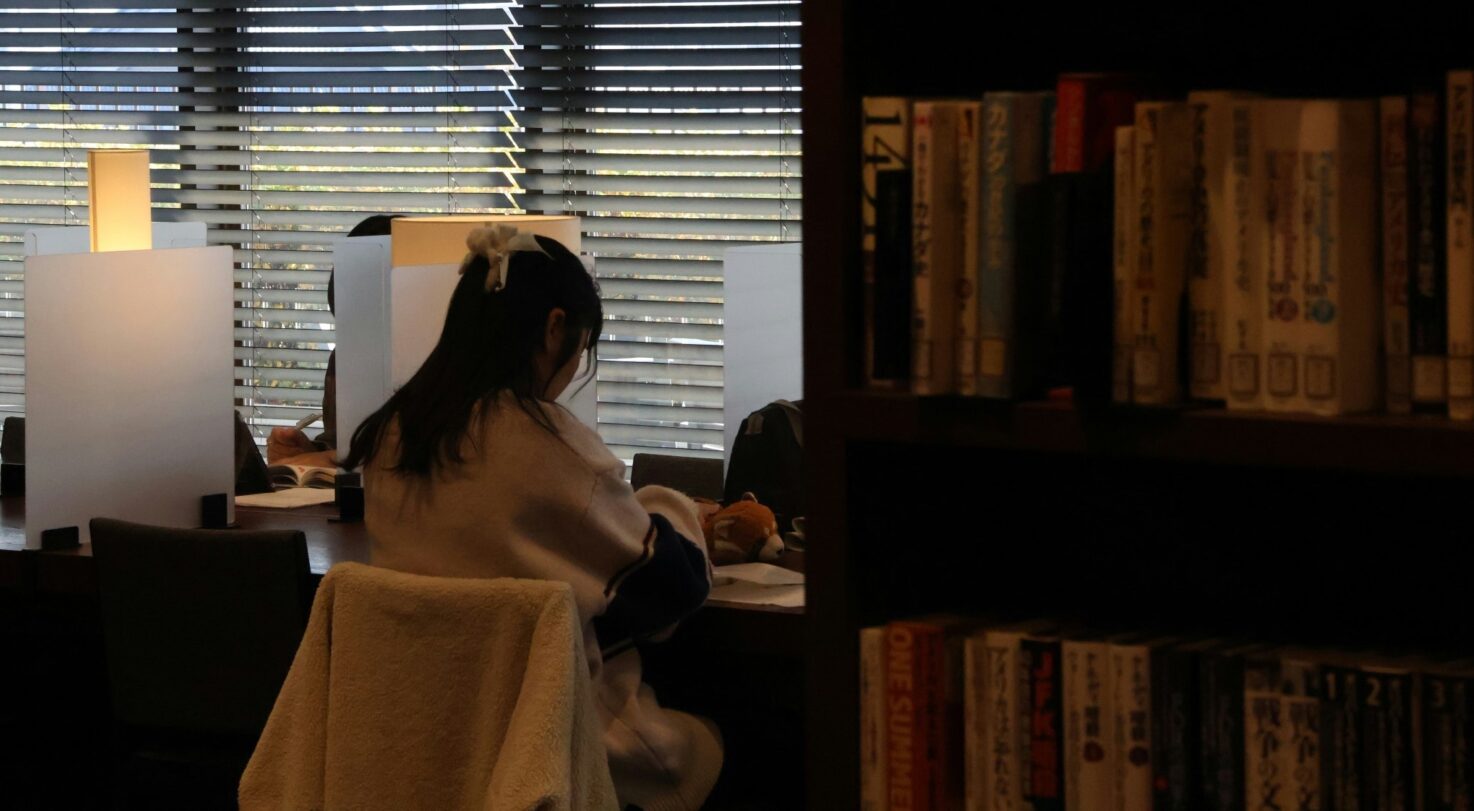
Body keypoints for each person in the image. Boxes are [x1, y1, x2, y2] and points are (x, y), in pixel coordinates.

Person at [341, 225, 723, 811]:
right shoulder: (545, 446)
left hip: (423, 746)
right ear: (553, 328)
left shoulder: (392, 434)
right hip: (551, 746)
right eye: (581, 345)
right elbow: (671, 586)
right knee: (733, 733)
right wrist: (676, 506)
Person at [267, 214, 402, 467]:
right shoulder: (345, 356)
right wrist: (306, 450)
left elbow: (399, 457)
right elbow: (341, 442)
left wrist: (322, 458)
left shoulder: (435, 364)